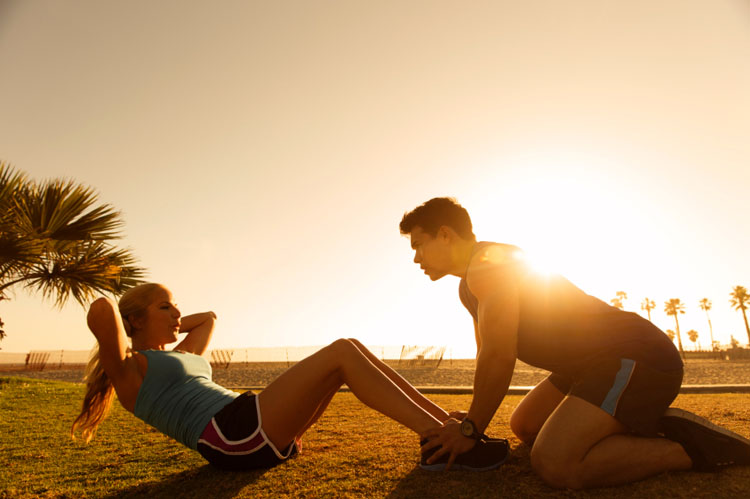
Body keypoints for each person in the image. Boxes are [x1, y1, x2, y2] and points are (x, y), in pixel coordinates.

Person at [400, 197, 750, 489]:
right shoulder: (467, 287)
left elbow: (499, 356)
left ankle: (691, 448)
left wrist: (471, 429)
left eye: (418, 244)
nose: (416, 258)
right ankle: (642, 423)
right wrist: (474, 415)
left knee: (556, 464)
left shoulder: (491, 264)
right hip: (587, 365)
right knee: (525, 425)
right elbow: (486, 352)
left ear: (444, 234)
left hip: (637, 355)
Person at [71, 282, 508, 471]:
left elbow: (209, 320)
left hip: (247, 424)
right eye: (165, 306)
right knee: (341, 351)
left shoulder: (179, 354)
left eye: (175, 305)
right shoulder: (130, 372)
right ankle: (446, 442)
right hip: (233, 435)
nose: (177, 313)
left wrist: (172, 320)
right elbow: (102, 309)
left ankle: (446, 430)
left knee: (349, 350)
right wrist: (130, 331)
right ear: (136, 317)